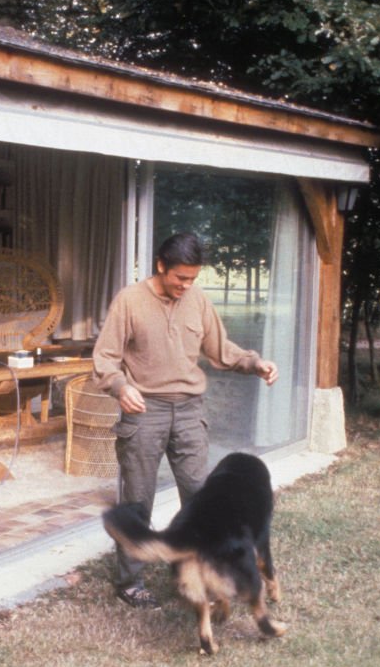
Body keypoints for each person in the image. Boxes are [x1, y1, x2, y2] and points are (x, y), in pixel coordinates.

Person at [92, 232, 278, 608]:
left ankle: (204, 572)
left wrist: (255, 363)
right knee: (137, 498)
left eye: (193, 279)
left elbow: (221, 350)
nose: (186, 286)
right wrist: (119, 386)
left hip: (190, 410)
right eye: (180, 278)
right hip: (145, 410)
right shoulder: (130, 301)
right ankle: (131, 582)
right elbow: (106, 357)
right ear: (162, 266)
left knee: (202, 496)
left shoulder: (197, 301)